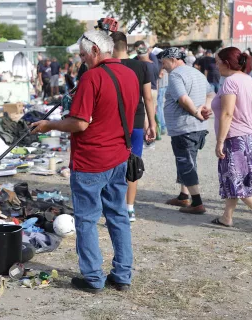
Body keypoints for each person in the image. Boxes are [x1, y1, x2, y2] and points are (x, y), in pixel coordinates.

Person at [31, 30, 139, 293]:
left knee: (87, 221)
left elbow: (80, 123)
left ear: (94, 51)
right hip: (119, 157)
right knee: (118, 217)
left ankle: (93, 278)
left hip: (91, 160)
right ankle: (123, 275)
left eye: (82, 55)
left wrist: (48, 125)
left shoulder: (93, 77)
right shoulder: (130, 74)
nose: (81, 61)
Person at [209, 47, 252, 233]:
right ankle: (227, 217)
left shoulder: (230, 82)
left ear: (226, 63)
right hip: (251, 136)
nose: (216, 65)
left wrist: (220, 141)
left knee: (237, 180)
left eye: (217, 61)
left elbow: (228, 113)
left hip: (236, 138)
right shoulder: (248, 80)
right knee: (236, 177)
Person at [159, 47, 215, 214]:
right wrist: (206, 107)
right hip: (196, 128)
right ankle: (184, 195)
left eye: (164, 62)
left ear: (173, 59)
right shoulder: (196, 72)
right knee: (187, 160)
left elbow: (183, 99)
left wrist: (197, 112)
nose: (163, 67)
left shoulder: (176, 74)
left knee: (185, 161)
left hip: (185, 127)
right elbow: (211, 93)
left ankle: (197, 202)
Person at [111, 31, 157, 222]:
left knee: (113, 165)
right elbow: (148, 97)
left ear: (111, 47)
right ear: (126, 46)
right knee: (133, 164)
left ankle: (114, 207)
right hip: (136, 121)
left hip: (113, 123)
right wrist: (152, 123)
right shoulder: (141, 66)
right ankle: (129, 209)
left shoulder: (108, 67)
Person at [157, 68, 169, 134]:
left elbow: (160, 75)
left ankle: (162, 126)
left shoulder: (160, 62)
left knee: (159, 106)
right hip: (164, 83)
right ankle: (162, 126)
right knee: (161, 105)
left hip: (161, 84)